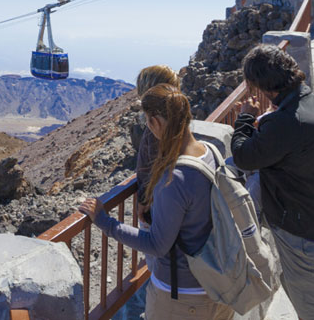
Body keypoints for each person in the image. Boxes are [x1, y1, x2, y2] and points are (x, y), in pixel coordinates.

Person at [80, 84, 234, 320]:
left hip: (182, 296)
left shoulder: (175, 177)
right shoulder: (210, 152)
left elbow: (157, 246)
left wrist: (104, 221)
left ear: (155, 122)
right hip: (219, 286)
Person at [230, 45, 314, 320]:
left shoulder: (287, 123)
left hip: (307, 237)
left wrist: (245, 118)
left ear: (265, 86)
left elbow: (243, 156)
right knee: (301, 294)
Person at [111, 66, 182, 320]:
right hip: (166, 214)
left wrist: (144, 200)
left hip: (157, 216)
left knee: (158, 268)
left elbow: (156, 171)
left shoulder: (156, 131)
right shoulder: (177, 122)